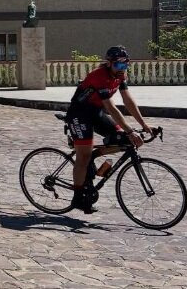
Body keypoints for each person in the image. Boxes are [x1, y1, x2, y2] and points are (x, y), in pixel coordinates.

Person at [66, 45, 154, 213]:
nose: (122, 68)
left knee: (123, 139)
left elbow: (128, 101)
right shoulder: (99, 77)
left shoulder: (121, 76)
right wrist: (130, 130)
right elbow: (112, 109)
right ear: (108, 63)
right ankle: (78, 197)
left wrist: (143, 125)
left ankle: (95, 155)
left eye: (125, 64)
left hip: (96, 112)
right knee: (83, 156)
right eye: (118, 65)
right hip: (79, 113)